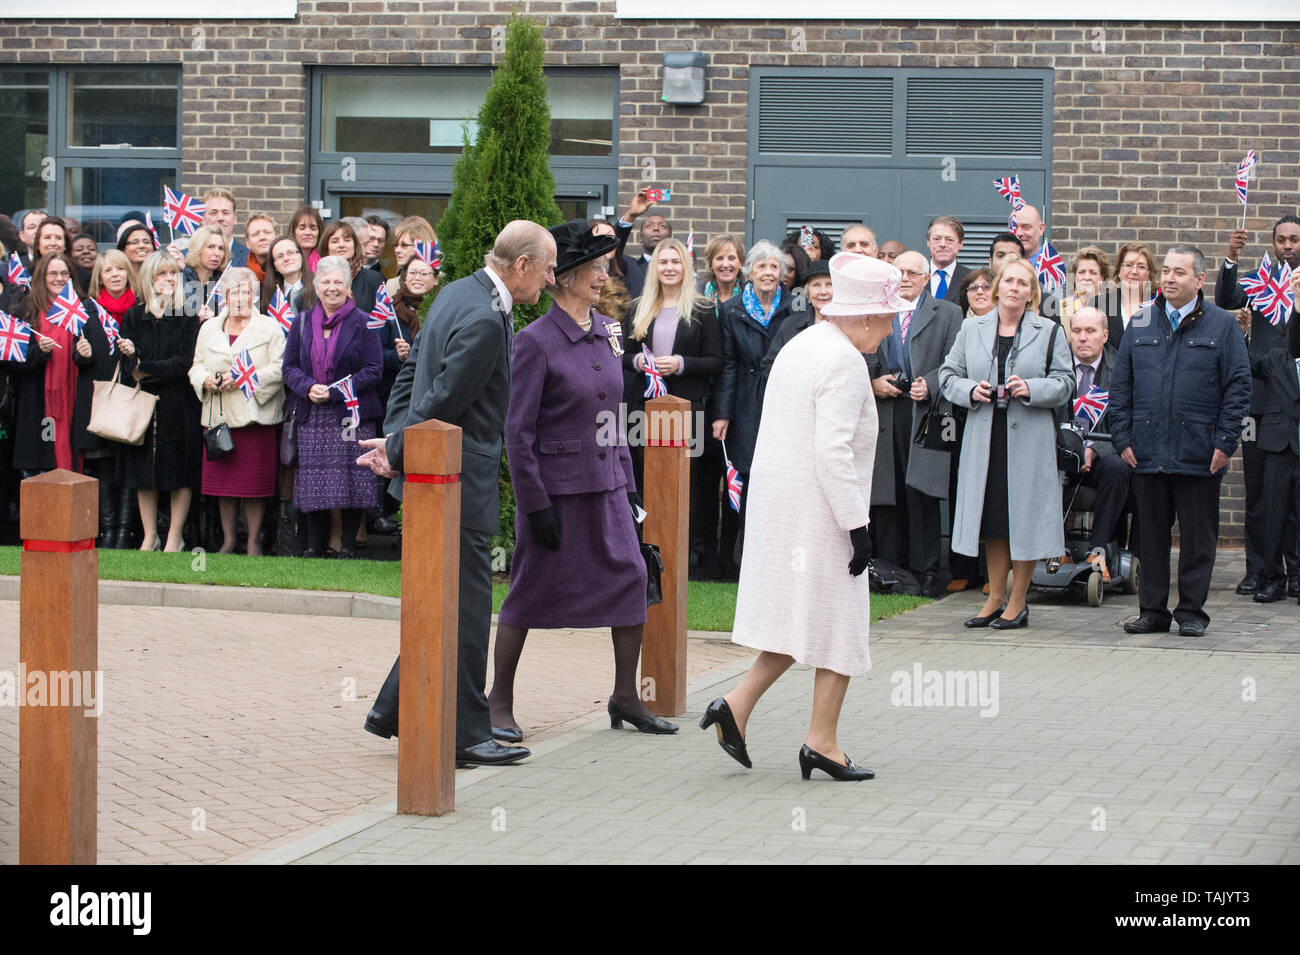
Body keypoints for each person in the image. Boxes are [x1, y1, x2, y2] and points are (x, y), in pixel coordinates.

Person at [357, 220, 555, 768]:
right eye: (546, 269)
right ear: (520, 266)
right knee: (467, 607)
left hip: (440, 476)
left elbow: (410, 377)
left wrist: (396, 440)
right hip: (457, 483)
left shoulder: (454, 293)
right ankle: (467, 733)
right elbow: (442, 396)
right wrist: (398, 448)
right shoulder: (487, 318)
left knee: (441, 599)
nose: (549, 280)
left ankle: (396, 710)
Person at [700, 252, 901, 782]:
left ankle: (735, 707)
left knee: (801, 623)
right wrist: (857, 525)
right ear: (860, 316)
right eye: (885, 317)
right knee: (842, 627)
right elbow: (832, 451)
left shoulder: (803, 343)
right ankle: (822, 743)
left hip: (789, 510)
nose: (890, 325)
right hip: (822, 513)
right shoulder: (844, 361)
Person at [488, 219, 676, 740]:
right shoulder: (534, 341)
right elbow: (517, 431)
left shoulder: (609, 332)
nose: (602, 277)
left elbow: (614, 415)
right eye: (592, 268)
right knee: (527, 593)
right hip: (555, 493)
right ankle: (498, 700)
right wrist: (534, 504)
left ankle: (624, 696)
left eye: (604, 267)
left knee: (634, 580)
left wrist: (630, 488)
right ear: (563, 277)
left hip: (609, 487)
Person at [1111, 245, 1251, 636]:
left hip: (1200, 452)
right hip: (1147, 450)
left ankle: (1191, 612)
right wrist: (1123, 436)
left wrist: (1224, 443)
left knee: (1197, 538)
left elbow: (1239, 387)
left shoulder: (1222, 326)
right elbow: (1121, 387)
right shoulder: (1141, 321)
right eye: (1167, 271)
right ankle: (1152, 611)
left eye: (1179, 273)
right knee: (1152, 535)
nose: (1169, 278)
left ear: (1200, 280)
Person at [940, 255, 1074, 629]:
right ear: (997, 288)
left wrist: (1032, 388)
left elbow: (1066, 382)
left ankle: (1018, 601)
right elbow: (949, 376)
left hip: (1028, 439)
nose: (1015, 288)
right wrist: (971, 390)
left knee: (1024, 519)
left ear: (1032, 293)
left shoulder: (1048, 331)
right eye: (1009, 281)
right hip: (985, 438)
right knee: (993, 520)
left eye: (1023, 283)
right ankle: (994, 598)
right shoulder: (972, 329)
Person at [621, 235, 722, 572]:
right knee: (644, 478)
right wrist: (639, 363)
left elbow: (716, 360)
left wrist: (681, 363)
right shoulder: (637, 308)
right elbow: (623, 355)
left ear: (685, 267)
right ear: (654, 267)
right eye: (663, 262)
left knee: (683, 482)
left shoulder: (704, 310)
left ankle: (683, 555)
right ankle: (644, 550)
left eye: (675, 261)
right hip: (643, 407)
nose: (669, 268)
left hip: (685, 407)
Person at [868, 250, 963, 597]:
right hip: (886, 411)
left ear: (927, 279)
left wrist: (932, 384)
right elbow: (861, 353)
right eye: (899, 271)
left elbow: (956, 359)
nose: (905, 277)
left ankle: (926, 573)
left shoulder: (949, 313)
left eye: (913, 272)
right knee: (886, 492)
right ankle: (888, 567)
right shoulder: (876, 310)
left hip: (931, 414)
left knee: (923, 492)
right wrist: (873, 380)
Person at [1216, 215, 1300, 597]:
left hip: (1295, 403)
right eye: (1281, 239)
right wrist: (1232, 257)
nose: (1288, 246)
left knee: (1293, 498)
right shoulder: (1259, 281)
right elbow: (1225, 299)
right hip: (1261, 402)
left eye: (1294, 239)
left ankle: (1293, 571)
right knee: (1259, 493)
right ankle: (1258, 570)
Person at [281, 255, 381, 558]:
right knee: (314, 482)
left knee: (353, 481)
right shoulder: (300, 323)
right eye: (326, 282)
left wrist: (335, 392)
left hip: (350, 414)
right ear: (316, 285)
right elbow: (288, 368)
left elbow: (374, 369)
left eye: (339, 282)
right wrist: (309, 387)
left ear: (349, 287)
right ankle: (314, 546)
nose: (332, 288)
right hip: (312, 414)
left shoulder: (366, 323)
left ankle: (348, 547)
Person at [189, 266, 286, 555]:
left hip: (254, 417)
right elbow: (196, 365)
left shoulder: (270, 327)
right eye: (234, 293)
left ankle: (254, 540)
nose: (240, 298)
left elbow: (279, 368)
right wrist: (205, 380)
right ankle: (229, 539)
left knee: (254, 486)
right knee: (224, 487)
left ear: (254, 296)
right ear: (224, 296)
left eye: (246, 292)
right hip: (219, 418)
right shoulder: (209, 328)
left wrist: (247, 378)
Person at [712, 239, 792, 578]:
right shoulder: (732, 310)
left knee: (778, 477)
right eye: (762, 266)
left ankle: (775, 557)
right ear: (750, 272)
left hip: (782, 398)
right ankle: (736, 560)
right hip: (745, 400)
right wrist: (722, 414)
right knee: (743, 475)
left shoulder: (793, 307)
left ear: (782, 274)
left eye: (774, 267)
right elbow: (728, 364)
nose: (768, 273)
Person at [117, 251, 203, 552]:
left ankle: (174, 537)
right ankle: (149, 535)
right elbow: (129, 370)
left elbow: (183, 363)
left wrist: (146, 367)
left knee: (180, 472)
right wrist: (130, 356)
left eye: (173, 274)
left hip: (179, 404)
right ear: (150, 278)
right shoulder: (133, 316)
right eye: (162, 274)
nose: (168, 279)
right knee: (144, 473)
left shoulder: (187, 315)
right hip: (143, 405)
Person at [2, 252, 107, 477]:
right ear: (42, 277)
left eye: (64, 274)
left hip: (75, 403)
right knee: (38, 474)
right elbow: (12, 361)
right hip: (37, 407)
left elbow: (99, 359)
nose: (59, 278)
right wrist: (39, 352)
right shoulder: (25, 311)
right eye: (53, 273)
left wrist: (85, 356)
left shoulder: (84, 310)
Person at [1062, 305, 1134, 578]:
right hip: (1061, 454)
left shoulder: (1122, 370)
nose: (1082, 337)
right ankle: (1055, 549)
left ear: (1104, 335)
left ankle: (1098, 550)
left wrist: (1094, 449)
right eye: (1077, 331)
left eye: (1090, 331)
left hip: (1103, 458)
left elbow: (1126, 425)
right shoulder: (1057, 365)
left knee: (1118, 468)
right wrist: (1074, 448)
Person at [317, 221, 382, 314]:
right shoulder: (317, 281)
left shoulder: (374, 280)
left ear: (355, 246)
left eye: (347, 240)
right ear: (326, 248)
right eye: (335, 241)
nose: (341, 245)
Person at [1102, 241, 1157, 347]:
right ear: (1119, 271)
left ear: (1149, 273)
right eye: (1128, 265)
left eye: (1141, 267)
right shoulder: (1101, 304)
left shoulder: (1159, 306)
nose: (1134, 271)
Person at [616, 195, 670, 297]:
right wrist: (630, 216)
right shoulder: (628, 266)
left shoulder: (677, 268)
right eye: (649, 226)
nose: (656, 229)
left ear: (670, 237)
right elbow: (614, 250)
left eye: (662, 226)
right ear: (640, 238)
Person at [588, 218, 633, 322]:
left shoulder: (621, 280)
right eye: (601, 238)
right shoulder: (577, 277)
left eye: (612, 238)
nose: (608, 242)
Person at [182, 224, 230, 321]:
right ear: (198, 248)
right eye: (210, 247)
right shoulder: (180, 279)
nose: (217, 253)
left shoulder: (224, 283)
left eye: (221, 248)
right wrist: (195, 321)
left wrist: (214, 321)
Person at [385, 215, 438, 299]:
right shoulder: (392, 285)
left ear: (421, 246)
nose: (397, 250)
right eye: (396, 245)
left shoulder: (444, 282)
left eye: (404, 245)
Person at [262, 235, 315, 317]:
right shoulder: (271, 296)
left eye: (291, 253)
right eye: (280, 256)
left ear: (301, 256)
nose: (286, 258)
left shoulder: (319, 286)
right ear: (274, 265)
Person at [1062, 246, 1110, 330]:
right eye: (1082, 272)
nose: (1087, 277)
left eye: (1093, 272)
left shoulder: (1112, 307)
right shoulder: (1062, 307)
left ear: (1102, 277)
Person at [926, 214, 969, 304]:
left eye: (949, 240)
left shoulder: (970, 279)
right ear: (928, 242)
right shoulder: (916, 276)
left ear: (960, 244)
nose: (942, 244)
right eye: (937, 239)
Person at [201, 187, 249, 267]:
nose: (220, 218)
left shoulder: (249, 258)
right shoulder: (185, 257)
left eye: (225, 213)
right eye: (213, 213)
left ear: (234, 218)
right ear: (203, 219)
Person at [243, 214, 277, 286]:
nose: (262, 237)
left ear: (277, 237)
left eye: (267, 232)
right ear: (248, 243)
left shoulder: (288, 268)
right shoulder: (239, 272)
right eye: (255, 234)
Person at [289, 205, 324, 273]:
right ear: (293, 231)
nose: (308, 233)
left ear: (319, 232)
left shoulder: (326, 262)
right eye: (302, 228)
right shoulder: (286, 260)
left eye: (313, 228)